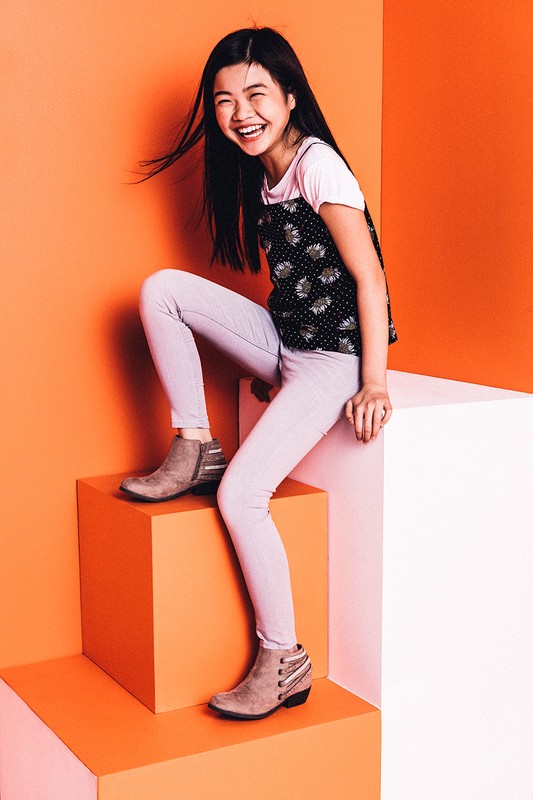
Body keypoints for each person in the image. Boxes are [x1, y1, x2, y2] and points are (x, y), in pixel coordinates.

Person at [120, 26, 397, 720]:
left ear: (290, 96)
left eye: (256, 95)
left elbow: (368, 277)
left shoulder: (317, 165)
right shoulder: (262, 173)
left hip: (333, 360)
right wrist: (274, 362)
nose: (241, 113)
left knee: (242, 496)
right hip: (287, 343)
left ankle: (284, 658)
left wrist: (373, 381)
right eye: (224, 101)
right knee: (161, 289)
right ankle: (195, 444)